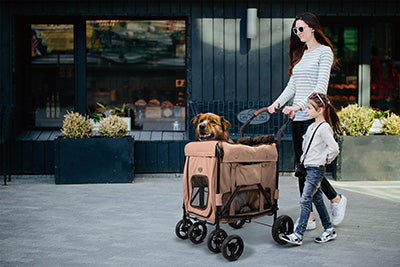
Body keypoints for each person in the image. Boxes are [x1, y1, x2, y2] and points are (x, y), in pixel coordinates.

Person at [266, 12, 347, 228]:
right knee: (302, 166)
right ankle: (310, 215)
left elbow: (320, 87)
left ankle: (335, 200)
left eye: (301, 28)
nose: (298, 33)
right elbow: (292, 86)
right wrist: (278, 103)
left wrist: (299, 106)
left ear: (312, 28)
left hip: (314, 118)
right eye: (295, 30)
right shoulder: (301, 53)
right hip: (297, 117)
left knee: (311, 166)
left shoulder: (324, 52)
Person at [280, 92, 341, 245]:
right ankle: (329, 229)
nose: (306, 111)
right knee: (317, 199)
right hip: (308, 168)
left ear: (320, 110)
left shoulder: (324, 128)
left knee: (305, 199)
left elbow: (334, 148)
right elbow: (306, 148)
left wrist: (324, 160)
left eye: (309, 108)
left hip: (316, 169)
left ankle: (298, 234)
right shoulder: (311, 127)